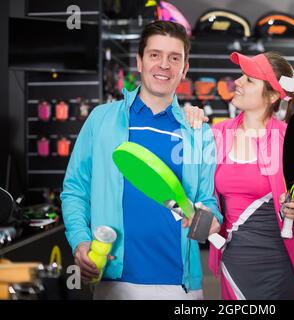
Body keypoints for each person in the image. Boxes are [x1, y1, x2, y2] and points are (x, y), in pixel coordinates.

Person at [60, 20, 222, 300]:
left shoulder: (200, 133)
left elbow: (208, 202)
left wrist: (209, 221)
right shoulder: (101, 119)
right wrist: (80, 240)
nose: (164, 65)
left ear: (184, 68)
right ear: (139, 61)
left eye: (174, 58)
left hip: (180, 286)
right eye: (155, 55)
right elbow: (75, 190)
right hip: (115, 281)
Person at [186, 51, 294, 299]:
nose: (237, 81)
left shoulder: (291, 139)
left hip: (282, 268)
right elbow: (197, 195)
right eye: (241, 76)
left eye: (249, 79)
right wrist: (187, 125)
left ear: (272, 95)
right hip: (234, 264)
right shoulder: (215, 135)